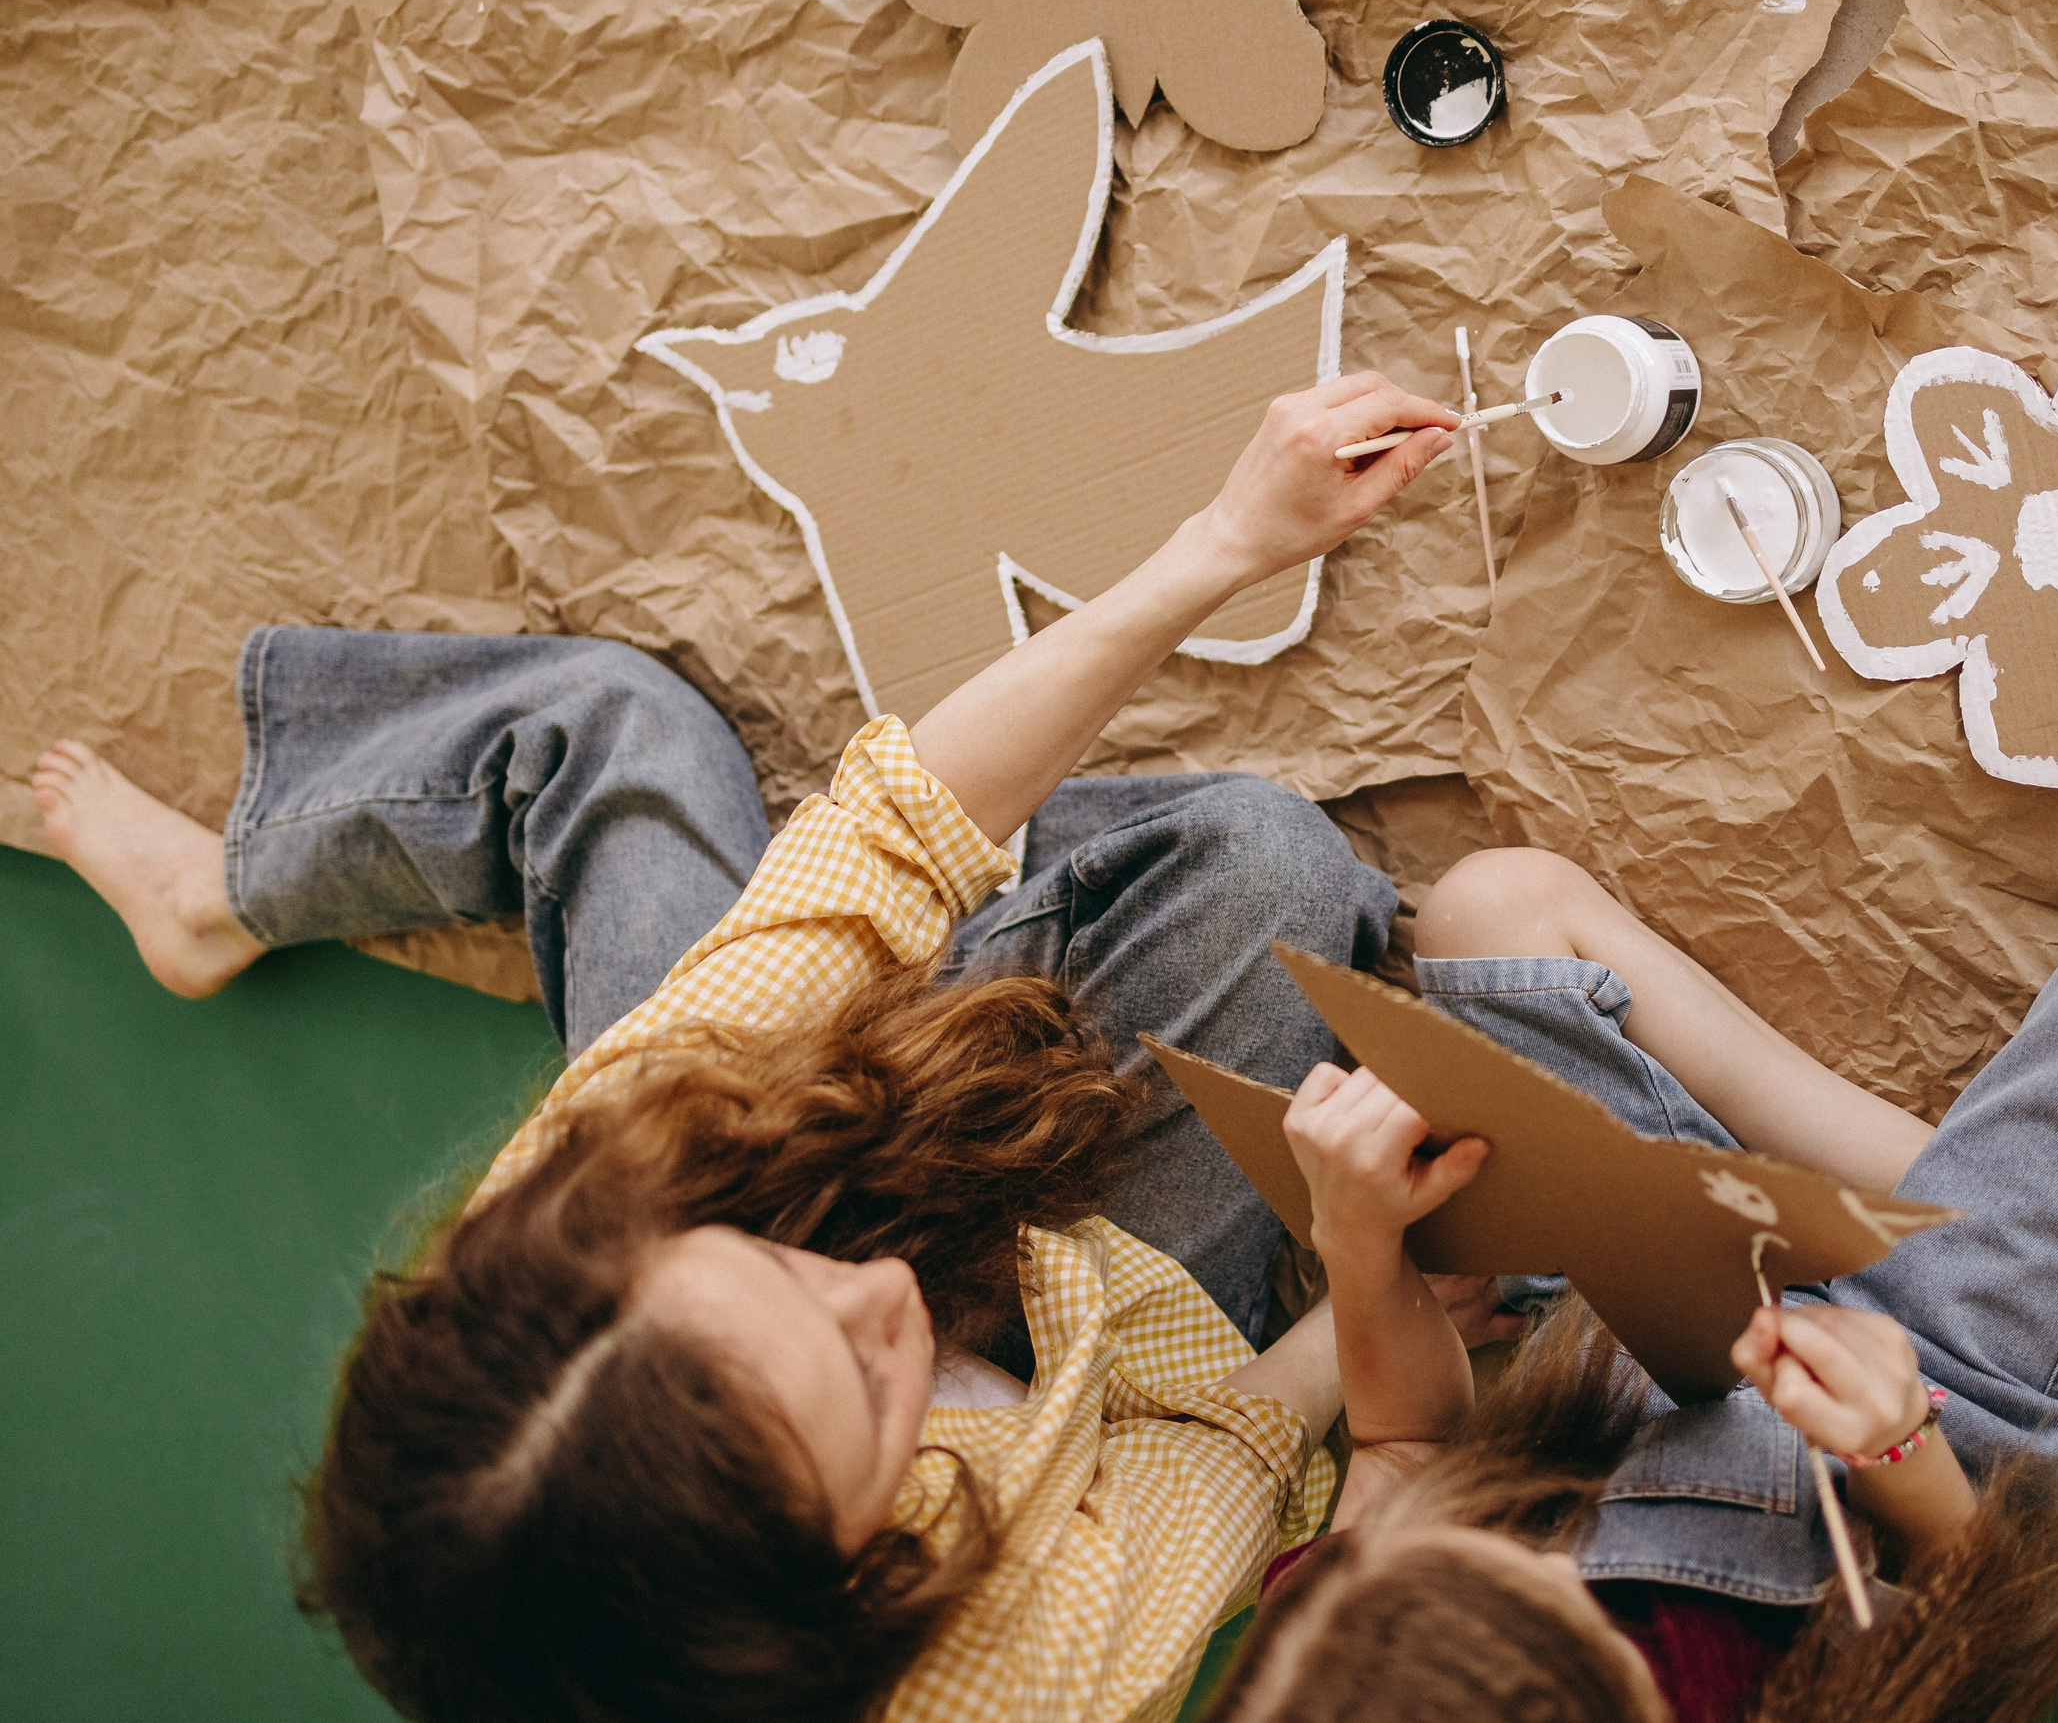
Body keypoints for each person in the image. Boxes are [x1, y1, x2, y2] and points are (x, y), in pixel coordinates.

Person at [33, 376, 1467, 1723]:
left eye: (781, 1268)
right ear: (843, 1589)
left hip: (820, 1124)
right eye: (864, 1395)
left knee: (618, 725)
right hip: (1110, 1345)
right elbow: (1212, 1440)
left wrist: (1225, 540)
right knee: (1273, 871)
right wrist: (1373, 1275)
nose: (890, 1291)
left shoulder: (580, 1255)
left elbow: (889, 835)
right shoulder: (1018, 1679)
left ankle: (224, 892)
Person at [1199, 848, 2058, 1723]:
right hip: (1950, 1427)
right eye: (1569, 1593)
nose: (1547, 1549)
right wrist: (1896, 1444)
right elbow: (1994, 1607)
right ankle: (2037, 1196)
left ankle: (1976, 1189)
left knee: (1496, 907)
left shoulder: (1332, 1659)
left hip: (1641, 1340)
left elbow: (1403, 1438)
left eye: (1491, 1545)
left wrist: (1362, 1244)